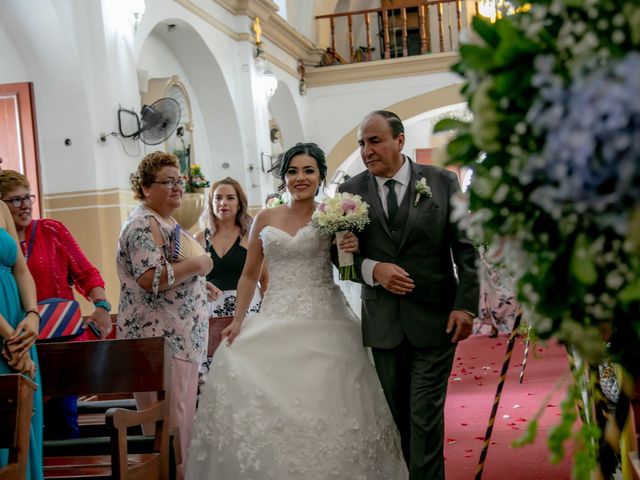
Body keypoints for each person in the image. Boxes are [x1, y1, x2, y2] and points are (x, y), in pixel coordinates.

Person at [185, 143, 407, 479]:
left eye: (308, 171)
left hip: (325, 316)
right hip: (277, 311)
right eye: (292, 171)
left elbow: (346, 268)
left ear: (320, 177)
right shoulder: (266, 217)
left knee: (328, 397)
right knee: (238, 363)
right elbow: (248, 274)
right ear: (283, 177)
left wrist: (350, 247)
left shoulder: (333, 215)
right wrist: (239, 319)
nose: (299, 178)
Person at [338, 110, 480, 479]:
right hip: (384, 324)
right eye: (362, 143)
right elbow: (340, 259)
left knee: (425, 420)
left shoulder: (443, 182)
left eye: (375, 141)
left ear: (399, 141)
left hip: (435, 320)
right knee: (399, 421)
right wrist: (373, 270)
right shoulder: (349, 192)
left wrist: (466, 305)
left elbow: (466, 249)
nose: (367, 151)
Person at [116, 151, 212, 480]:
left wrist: (201, 284)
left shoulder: (166, 222)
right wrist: (198, 266)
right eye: (167, 181)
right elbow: (150, 278)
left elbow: (172, 272)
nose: (176, 187)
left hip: (178, 340)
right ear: (145, 188)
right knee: (171, 426)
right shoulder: (144, 222)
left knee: (180, 424)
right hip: (161, 342)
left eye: (178, 180)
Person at [0, 169, 112, 440]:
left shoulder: (51, 230)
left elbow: (85, 273)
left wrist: (101, 305)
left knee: (64, 422)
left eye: (28, 197)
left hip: (58, 341)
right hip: (16, 340)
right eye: (16, 200)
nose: (25, 205)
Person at [0, 159, 43, 480]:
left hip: (19, 323)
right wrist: (11, 338)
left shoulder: (2, 209)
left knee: (25, 428)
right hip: (7, 333)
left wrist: (32, 316)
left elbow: (21, 269)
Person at [194, 177, 267, 367]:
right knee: (216, 365)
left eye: (229, 198)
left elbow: (265, 279)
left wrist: (269, 314)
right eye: (218, 198)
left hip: (246, 307)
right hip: (210, 310)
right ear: (211, 203)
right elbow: (192, 280)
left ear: (239, 203)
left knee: (247, 364)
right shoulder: (200, 238)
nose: (223, 203)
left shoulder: (251, 235)